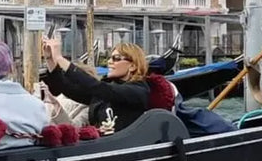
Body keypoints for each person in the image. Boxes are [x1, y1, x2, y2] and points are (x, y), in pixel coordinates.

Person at [42, 39, 174, 132]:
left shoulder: (138, 91)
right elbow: (65, 88)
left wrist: (60, 58)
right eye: (110, 58)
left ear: (133, 66)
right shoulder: (105, 91)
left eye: (116, 58)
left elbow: (99, 88)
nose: (109, 62)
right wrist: (50, 59)